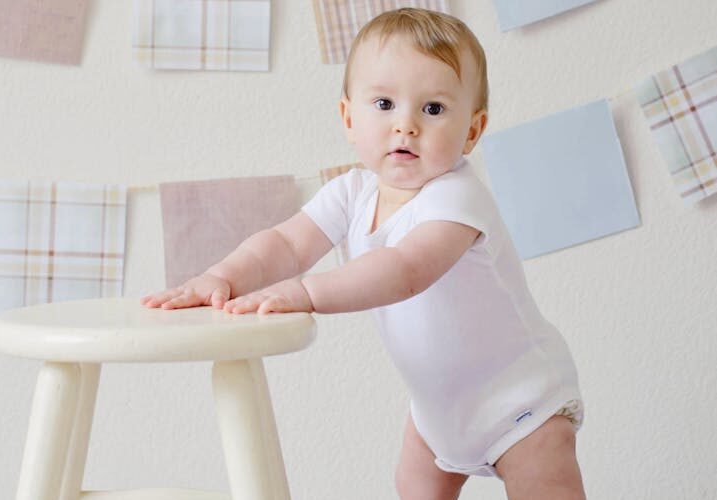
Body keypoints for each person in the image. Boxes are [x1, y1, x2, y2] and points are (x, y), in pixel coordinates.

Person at [143, 8, 585, 499]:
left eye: (433, 109)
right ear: (349, 118)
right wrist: (223, 275)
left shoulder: (457, 198)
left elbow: (405, 270)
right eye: (384, 103)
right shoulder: (351, 193)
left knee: (544, 488)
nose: (406, 126)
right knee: (413, 488)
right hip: (438, 409)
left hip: (520, 400)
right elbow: (286, 243)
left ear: (472, 132)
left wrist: (306, 292)